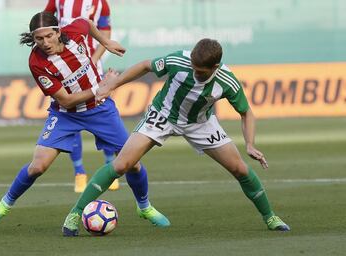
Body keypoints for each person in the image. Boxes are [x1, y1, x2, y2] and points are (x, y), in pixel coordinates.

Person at [62, 38, 290, 235]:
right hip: (162, 115)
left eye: (201, 71)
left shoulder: (227, 81)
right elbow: (144, 66)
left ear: (215, 67)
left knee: (240, 169)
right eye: (193, 66)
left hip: (200, 124)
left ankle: (270, 217)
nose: (195, 72)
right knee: (122, 163)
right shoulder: (178, 61)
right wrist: (114, 83)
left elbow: (246, 113)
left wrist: (250, 143)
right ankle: (75, 214)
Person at [0, 12, 170, 235]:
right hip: (65, 114)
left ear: (58, 31)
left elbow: (88, 23)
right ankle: (4, 205)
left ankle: (144, 207)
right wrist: (99, 89)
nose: (45, 43)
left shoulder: (75, 32)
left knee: (132, 163)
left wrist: (106, 42)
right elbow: (65, 99)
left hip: (100, 110)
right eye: (39, 39)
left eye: (49, 36)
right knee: (38, 166)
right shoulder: (37, 62)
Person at [44, 0, 118, 192]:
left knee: (103, 114)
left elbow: (105, 32)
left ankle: (110, 167)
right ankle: (79, 172)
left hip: (90, 65)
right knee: (71, 115)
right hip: (64, 68)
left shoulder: (101, 4)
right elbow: (45, 22)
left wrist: (94, 59)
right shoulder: (57, 1)